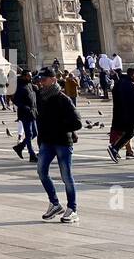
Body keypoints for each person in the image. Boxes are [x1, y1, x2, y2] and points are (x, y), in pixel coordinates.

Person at [34, 68, 82, 223]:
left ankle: (72, 209)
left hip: (62, 141)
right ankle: (55, 203)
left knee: (66, 176)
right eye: (40, 79)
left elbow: (77, 122)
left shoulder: (63, 99)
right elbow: (40, 120)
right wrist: (40, 138)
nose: (41, 82)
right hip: (47, 142)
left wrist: (59, 127)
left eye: (44, 79)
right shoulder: (41, 98)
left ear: (53, 80)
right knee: (41, 171)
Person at [107, 67, 134, 162]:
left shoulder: (122, 84)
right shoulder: (131, 85)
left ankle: (114, 148)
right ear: (133, 75)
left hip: (128, 113)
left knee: (129, 133)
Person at [11, 71, 38, 161]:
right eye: (28, 76)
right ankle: (32, 155)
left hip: (33, 112)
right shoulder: (20, 86)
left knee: (35, 133)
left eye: (30, 76)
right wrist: (25, 107)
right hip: (25, 113)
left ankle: (20, 147)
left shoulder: (29, 84)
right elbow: (15, 100)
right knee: (29, 134)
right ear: (23, 76)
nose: (30, 77)